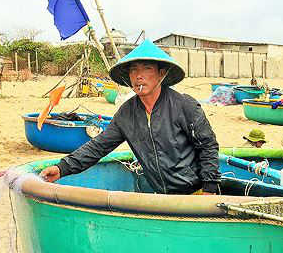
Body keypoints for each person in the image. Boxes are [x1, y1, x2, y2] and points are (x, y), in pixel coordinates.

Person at [40, 40, 220, 195]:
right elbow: (99, 145)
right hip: (163, 196)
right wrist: (62, 168)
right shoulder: (127, 113)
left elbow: (208, 145)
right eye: (133, 70)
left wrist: (209, 188)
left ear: (161, 73)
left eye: (147, 68)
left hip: (197, 192)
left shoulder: (184, 105)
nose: (138, 76)